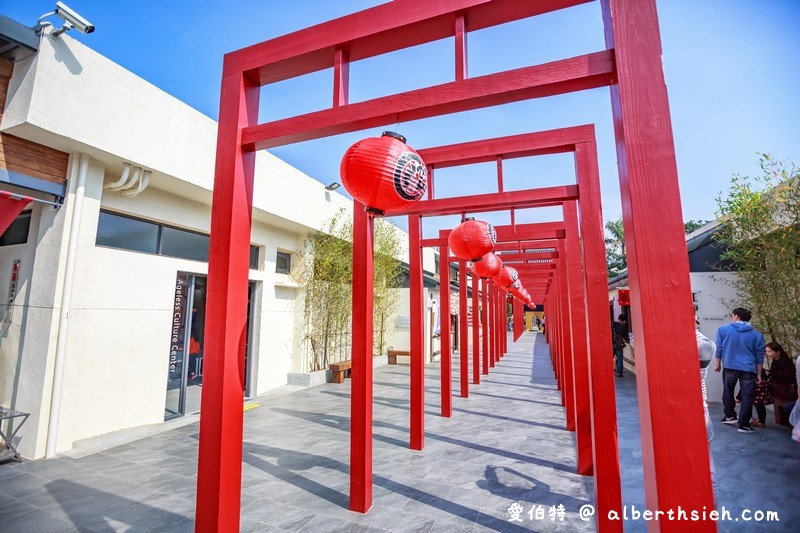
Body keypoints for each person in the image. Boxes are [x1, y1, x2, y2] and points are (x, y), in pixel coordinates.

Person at [714, 307, 766, 433]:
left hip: (730, 366)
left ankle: (730, 415)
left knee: (728, 390)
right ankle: (744, 425)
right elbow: (759, 356)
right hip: (749, 369)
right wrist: (759, 374)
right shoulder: (757, 335)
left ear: (736, 316)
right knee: (747, 396)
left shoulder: (723, 330)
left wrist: (717, 364)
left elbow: (719, 348)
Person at [696, 321, 717, 492]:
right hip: (701, 408)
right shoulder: (705, 343)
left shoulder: (703, 344)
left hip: (696, 410)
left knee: (706, 472)